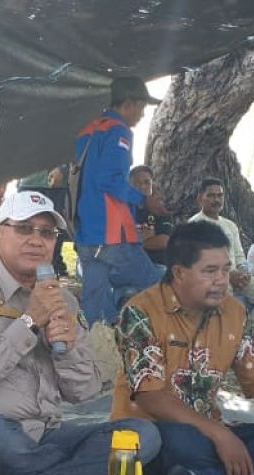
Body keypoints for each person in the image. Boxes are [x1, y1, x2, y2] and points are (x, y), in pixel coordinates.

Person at [0, 191, 160, 475]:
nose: (37, 240)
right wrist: (29, 323)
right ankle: (76, 473)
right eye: (24, 229)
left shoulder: (61, 299)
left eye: (47, 233)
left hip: (45, 432)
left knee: (142, 435)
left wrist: (64, 351)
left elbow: (84, 392)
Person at [113, 221, 254, 475]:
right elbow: (150, 395)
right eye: (210, 271)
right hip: (153, 432)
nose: (222, 281)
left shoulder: (234, 313)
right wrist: (219, 434)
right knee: (180, 442)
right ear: (179, 273)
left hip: (208, 433)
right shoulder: (140, 312)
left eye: (226, 270)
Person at [74, 77, 164, 326]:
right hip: (111, 233)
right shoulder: (119, 131)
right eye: (142, 108)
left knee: (96, 307)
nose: (142, 115)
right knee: (157, 287)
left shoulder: (88, 131)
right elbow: (110, 181)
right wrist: (144, 201)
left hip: (86, 234)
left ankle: (100, 353)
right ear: (129, 104)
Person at [188, 178, 254, 336]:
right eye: (211, 196)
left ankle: (250, 339)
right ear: (200, 199)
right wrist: (227, 275)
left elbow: (239, 255)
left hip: (237, 277)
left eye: (220, 196)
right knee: (226, 298)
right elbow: (197, 261)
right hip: (212, 279)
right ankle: (229, 342)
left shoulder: (230, 225)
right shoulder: (194, 225)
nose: (216, 200)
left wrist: (244, 273)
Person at [129, 165, 174, 266]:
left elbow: (164, 241)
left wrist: (134, 241)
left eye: (147, 182)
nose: (142, 186)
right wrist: (147, 239)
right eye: (137, 182)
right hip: (128, 266)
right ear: (129, 186)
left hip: (157, 265)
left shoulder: (159, 210)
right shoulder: (122, 210)